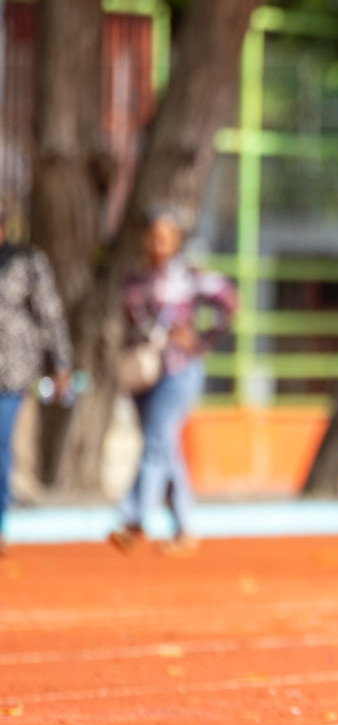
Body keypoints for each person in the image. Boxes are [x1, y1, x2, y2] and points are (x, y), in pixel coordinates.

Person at [110, 210, 235, 557]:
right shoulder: (134, 281)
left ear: (177, 241)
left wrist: (201, 341)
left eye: (165, 237)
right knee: (165, 448)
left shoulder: (188, 278)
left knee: (155, 442)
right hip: (144, 375)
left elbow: (229, 300)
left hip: (179, 372)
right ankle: (185, 527)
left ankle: (132, 518)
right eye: (152, 236)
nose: (157, 244)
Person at [0, 213, 72, 554]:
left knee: (1, 444)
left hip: (10, 373)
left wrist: (60, 362)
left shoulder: (26, 262)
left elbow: (50, 313)